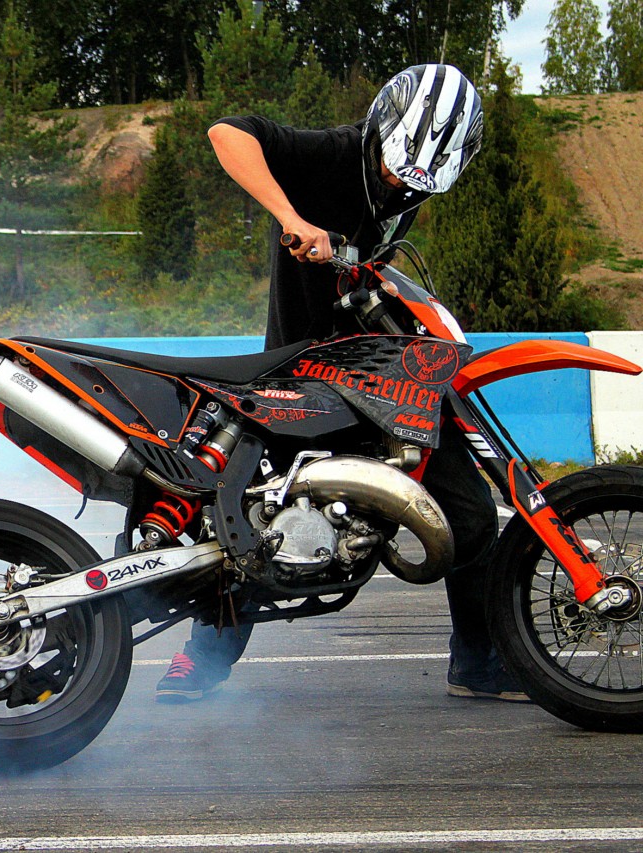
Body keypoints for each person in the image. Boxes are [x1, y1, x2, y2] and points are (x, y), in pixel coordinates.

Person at [154, 63, 530, 705]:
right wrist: (290, 217)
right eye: (395, 169)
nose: (400, 184)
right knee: (255, 524)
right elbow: (227, 133)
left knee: (470, 515)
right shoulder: (333, 153)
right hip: (298, 381)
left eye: (416, 181)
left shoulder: (408, 188)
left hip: (378, 375)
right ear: (384, 126)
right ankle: (203, 661)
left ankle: (479, 663)